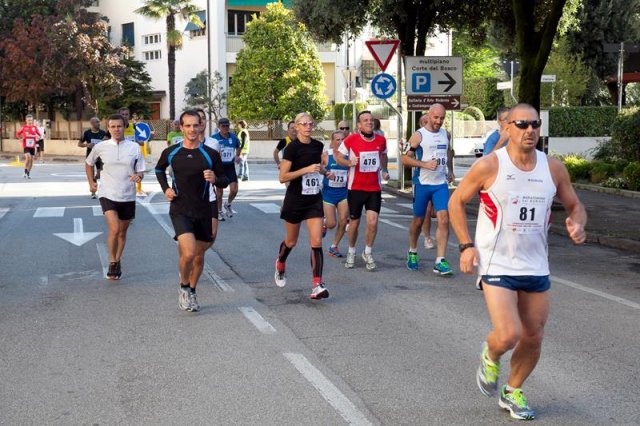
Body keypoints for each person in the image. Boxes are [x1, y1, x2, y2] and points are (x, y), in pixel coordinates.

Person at [448, 103, 587, 420]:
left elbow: (575, 205)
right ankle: (491, 351)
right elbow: (456, 201)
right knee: (508, 334)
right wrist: (466, 246)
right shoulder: (489, 166)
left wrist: (577, 223)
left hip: (536, 265)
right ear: (507, 127)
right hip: (497, 263)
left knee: (534, 336)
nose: (529, 130)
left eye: (534, 124)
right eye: (522, 124)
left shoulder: (553, 168)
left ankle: (512, 391)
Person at [155, 110, 228, 312]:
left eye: (195, 125)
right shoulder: (172, 152)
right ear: (181, 127)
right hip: (180, 208)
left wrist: (215, 178)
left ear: (201, 126)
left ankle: (193, 290)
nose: (192, 129)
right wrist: (166, 189)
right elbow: (159, 170)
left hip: (204, 210)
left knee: (198, 255)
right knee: (188, 253)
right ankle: (184, 287)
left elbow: (225, 179)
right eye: (188, 125)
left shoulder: (210, 154)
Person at [274, 112, 329, 299]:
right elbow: (283, 177)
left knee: (317, 241)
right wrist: (305, 170)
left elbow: (316, 167)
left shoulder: (317, 145)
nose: (307, 127)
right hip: (295, 200)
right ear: (296, 127)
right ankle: (280, 262)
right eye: (303, 124)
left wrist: (325, 172)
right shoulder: (291, 149)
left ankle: (317, 285)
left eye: (310, 123)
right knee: (291, 241)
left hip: (313, 198)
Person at [85, 114, 145, 280]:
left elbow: (140, 170)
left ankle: (118, 259)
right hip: (107, 193)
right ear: (108, 128)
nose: (116, 129)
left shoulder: (134, 148)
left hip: (127, 194)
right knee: (114, 228)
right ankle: (112, 261)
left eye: (119, 126)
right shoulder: (101, 147)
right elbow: (88, 163)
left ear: (124, 127)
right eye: (113, 126)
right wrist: (91, 183)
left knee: (122, 232)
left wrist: (139, 177)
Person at [401, 103, 455, 275]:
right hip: (423, 184)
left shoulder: (445, 134)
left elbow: (448, 152)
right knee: (418, 221)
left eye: (442, 118)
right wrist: (424, 164)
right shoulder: (418, 136)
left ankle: (440, 260)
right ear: (429, 115)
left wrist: (450, 170)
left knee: (444, 219)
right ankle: (412, 251)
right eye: (435, 117)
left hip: (440, 184)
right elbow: (404, 159)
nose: (439, 121)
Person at [334, 110, 389, 271]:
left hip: (374, 188)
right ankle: (351, 251)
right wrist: (349, 162)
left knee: (373, 222)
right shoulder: (351, 140)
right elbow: (338, 157)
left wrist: (384, 169)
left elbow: (384, 155)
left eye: (371, 120)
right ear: (359, 125)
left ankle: (368, 252)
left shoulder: (381, 140)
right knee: (355, 224)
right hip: (356, 188)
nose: (369, 122)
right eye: (365, 120)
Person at [321, 130, 349, 258]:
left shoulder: (349, 155)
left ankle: (334, 247)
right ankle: (324, 224)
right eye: (337, 140)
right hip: (328, 194)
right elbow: (317, 168)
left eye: (342, 139)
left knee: (343, 221)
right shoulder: (326, 155)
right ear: (332, 141)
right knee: (332, 224)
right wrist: (326, 173)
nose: (340, 142)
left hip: (343, 193)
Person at [196, 108, 222, 243]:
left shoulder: (214, 144)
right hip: (190, 201)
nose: (201, 121)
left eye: (203, 117)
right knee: (191, 247)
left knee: (210, 239)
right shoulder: (181, 145)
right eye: (197, 118)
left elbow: (220, 172)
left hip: (210, 198)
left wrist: (216, 179)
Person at [212, 117, 241, 220]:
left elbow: (238, 147)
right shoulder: (214, 138)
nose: (225, 128)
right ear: (219, 127)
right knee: (219, 192)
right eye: (223, 126)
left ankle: (228, 204)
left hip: (230, 166)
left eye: (227, 126)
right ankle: (219, 211)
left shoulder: (233, 137)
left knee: (234, 189)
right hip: (219, 168)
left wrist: (237, 156)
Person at [79, 117, 108, 199]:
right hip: (90, 157)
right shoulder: (86, 133)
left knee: (100, 174)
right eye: (97, 122)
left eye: (99, 122)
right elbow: (79, 143)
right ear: (92, 123)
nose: (99, 124)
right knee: (90, 175)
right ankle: (93, 192)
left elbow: (107, 142)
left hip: (101, 157)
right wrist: (87, 145)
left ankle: (96, 178)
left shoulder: (103, 133)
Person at [16, 114, 41, 179]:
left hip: (32, 146)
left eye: (31, 120)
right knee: (28, 157)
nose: (30, 121)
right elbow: (17, 134)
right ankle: (25, 171)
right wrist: (20, 139)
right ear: (26, 120)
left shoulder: (34, 127)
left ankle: (28, 173)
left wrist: (38, 137)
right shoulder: (24, 127)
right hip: (26, 145)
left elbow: (39, 135)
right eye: (29, 120)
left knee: (31, 161)